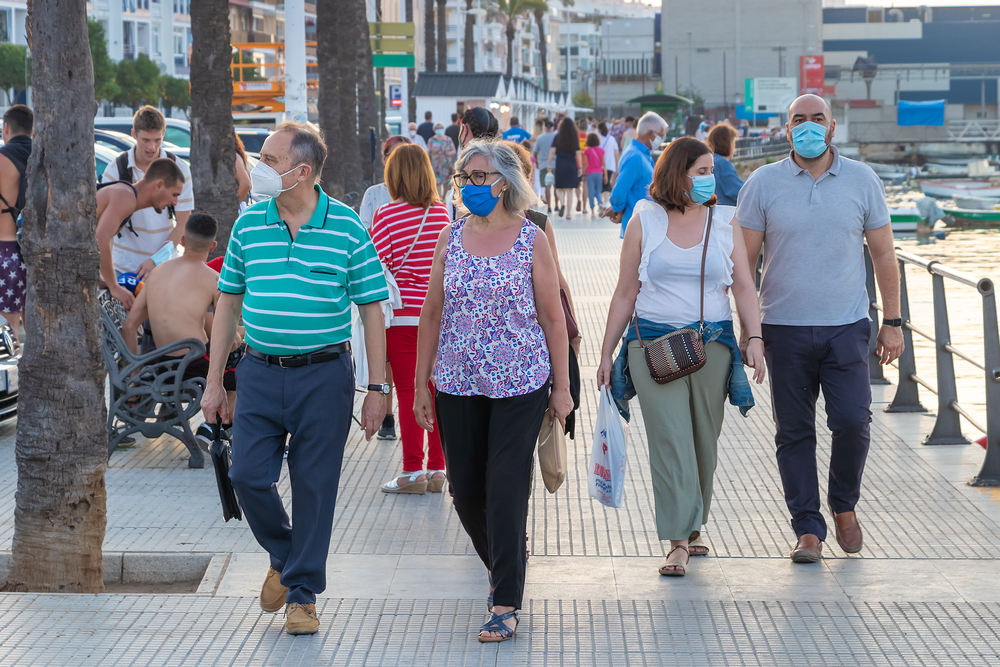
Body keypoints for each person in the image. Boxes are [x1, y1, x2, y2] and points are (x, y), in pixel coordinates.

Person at [201, 121, 391, 636]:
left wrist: (378, 389)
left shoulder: (347, 228)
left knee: (314, 488)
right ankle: (286, 556)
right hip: (259, 372)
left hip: (325, 376)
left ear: (302, 172)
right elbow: (226, 306)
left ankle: (302, 596)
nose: (258, 168)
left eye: (269, 159)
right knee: (246, 476)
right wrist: (215, 381)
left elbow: (374, 308)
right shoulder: (248, 226)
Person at [413, 138, 572, 642]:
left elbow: (552, 317)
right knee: (464, 491)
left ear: (505, 182)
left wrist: (562, 389)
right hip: (457, 383)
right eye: (463, 177)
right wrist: (420, 382)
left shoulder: (532, 238)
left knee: (505, 487)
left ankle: (504, 597)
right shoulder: (450, 235)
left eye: (478, 177)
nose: (468, 186)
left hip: (520, 382)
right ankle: (507, 559)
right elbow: (432, 312)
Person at [737, 94, 904, 564]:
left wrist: (892, 322)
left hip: (847, 327)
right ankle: (807, 529)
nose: (808, 126)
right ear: (785, 129)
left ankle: (843, 505)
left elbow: (884, 254)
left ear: (832, 127)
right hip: (783, 328)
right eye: (798, 120)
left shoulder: (862, 180)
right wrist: (749, 332)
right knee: (793, 432)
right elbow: (743, 266)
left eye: (817, 119)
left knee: (853, 421)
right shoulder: (762, 184)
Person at [598, 137, 764, 577]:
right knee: (670, 440)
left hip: (713, 348)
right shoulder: (644, 219)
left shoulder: (728, 222)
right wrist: (605, 351)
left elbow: (744, 287)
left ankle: (691, 526)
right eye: (702, 171)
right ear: (678, 174)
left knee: (703, 445)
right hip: (651, 348)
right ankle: (676, 540)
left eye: (711, 170)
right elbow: (625, 291)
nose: (710, 178)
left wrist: (756, 339)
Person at [120, 212, 244, 445]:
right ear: (214, 245)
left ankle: (200, 423)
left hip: (158, 363)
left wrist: (134, 375)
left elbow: (129, 327)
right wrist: (242, 336)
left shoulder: (156, 274)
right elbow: (224, 335)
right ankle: (219, 432)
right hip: (192, 362)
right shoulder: (214, 279)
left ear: (183, 241)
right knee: (239, 368)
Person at [370, 144, 450, 495]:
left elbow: (376, 265)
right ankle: (437, 468)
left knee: (407, 392)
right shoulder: (442, 215)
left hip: (402, 320)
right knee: (435, 390)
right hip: (440, 319)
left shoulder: (386, 215)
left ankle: (411, 471)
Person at [358, 135, 412, 440]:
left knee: (402, 364)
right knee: (387, 358)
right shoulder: (374, 195)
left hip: (405, 299)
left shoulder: (427, 204)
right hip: (384, 293)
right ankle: (388, 414)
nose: (393, 159)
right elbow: (368, 239)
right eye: (389, 154)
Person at [101, 105, 194, 280]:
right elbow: (105, 232)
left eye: (157, 140)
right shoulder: (115, 170)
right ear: (134, 134)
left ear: (164, 134)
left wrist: (155, 260)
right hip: (123, 268)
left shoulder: (180, 168)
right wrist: (110, 279)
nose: (152, 147)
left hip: (165, 267)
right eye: (145, 140)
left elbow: (183, 223)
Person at [96, 158, 186, 309]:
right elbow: (101, 238)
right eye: (174, 194)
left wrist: (102, 280)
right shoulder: (126, 197)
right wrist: (113, 286)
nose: (175, 202)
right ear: (158, 185)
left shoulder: (127, 196)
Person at [602, 111, 667, 238]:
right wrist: (618, 208)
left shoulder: (643, 155)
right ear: (651, 134)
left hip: (646, 224)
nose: (662, 140)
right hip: (638, 227)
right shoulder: (635, 157)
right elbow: (619, 191)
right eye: (661, 135)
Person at [0, 104, 32, 339]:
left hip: (5, 251)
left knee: (10, 338)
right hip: (37, 254)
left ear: (6, 127)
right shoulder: (46, 159)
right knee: (34, 334)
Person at [360, 135, 412, 231]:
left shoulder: (422, 194)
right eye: (395, 156)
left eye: (406, 156)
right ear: (384, 159)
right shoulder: (372, 194)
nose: (400, 161)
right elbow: (366, 234)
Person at [549, 117, 582, 219]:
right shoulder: (574, 137)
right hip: (571, 165)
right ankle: (568, 214)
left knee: (558, 188)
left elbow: (552, 151)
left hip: (560, 165)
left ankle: (562, 203)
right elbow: (578, 153)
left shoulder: (557, 137)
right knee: (569, 191)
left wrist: (548, 163)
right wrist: (580, 167)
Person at [706, 123, 744, 206]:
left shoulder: (709, 160)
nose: (734, 146)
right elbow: (740, 193)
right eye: (733, 142)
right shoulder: (723, 164)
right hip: (725, 213)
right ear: (726, 143)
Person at [531, 119, 557, 213]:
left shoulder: (540, 138)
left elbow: (535, 152)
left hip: (543, 165)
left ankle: (549, 207)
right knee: (556, 186)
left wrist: (537, 162)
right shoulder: (556, 137)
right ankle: (557, 205)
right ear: (553, 127)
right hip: (556, 164)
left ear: (545, 128)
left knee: (547, 186)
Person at [426, 123, 457, 198]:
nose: (440, 129)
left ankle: (443, 196)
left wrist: (448, 153)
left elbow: (454, 151)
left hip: (446, 164)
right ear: (435, 129)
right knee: (437, 182)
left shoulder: (448, 139)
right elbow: (427, 152)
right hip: (435, 165)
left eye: (441, 127)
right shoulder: (431, 140)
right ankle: (439, 197)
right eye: (438, 128)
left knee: (447, 182)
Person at [582, 133, 605, 218]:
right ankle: (600, 203)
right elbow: (604, 164)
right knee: (598, 191)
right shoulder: (601, 150)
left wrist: (583, 175)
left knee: (591, 192)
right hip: (599, 173)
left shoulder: (586, 151)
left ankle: (592, 212)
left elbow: (584, 164)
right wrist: (605, 175)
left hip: (590, 173)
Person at [598, 121, 620, 204]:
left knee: (599, 184)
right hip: (610, 165)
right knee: (607, 184)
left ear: (599, 129)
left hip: (599, 165)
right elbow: (616, 153)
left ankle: (600, 202)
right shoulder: (612, 139)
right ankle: (605, 202)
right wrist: (617, 165)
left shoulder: (597, 138)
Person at [234, 134, 253, 208]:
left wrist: (231, 206)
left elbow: (246, 184)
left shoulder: (234, 157)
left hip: (237, 207)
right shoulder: (238, 156)